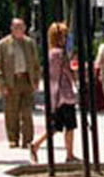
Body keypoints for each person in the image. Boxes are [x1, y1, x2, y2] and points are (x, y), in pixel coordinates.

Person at [31, 22, 79, 163]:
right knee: (69, 125)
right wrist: (74, 72)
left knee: (56, 126)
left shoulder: (50, 53)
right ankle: (69, 154)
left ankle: (36, 145)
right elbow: (68, 72)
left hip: (55, 94)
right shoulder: (60, 54)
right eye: (64, 36)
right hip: (64, 93)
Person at [0, 18, 40, 149]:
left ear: (25, 28)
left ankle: (27, 139)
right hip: (11, 81)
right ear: (11, 29)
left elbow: (36, 62)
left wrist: (36, 79)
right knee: (11, 112)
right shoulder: (3, 44)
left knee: (27, 112)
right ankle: (13, 138)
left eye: (21, 27)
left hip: (26, 80)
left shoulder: (29, 43)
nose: (19, 30)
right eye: (16, 27)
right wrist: (2, 83)